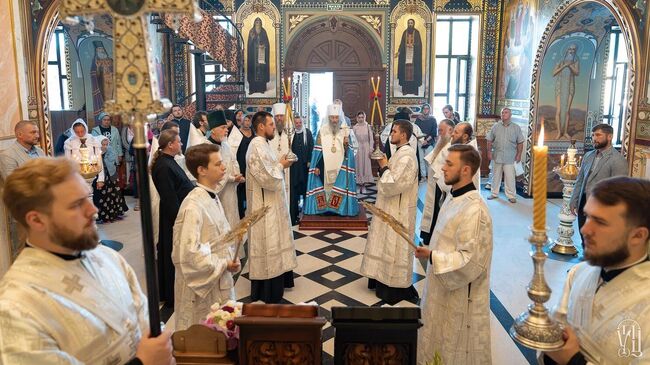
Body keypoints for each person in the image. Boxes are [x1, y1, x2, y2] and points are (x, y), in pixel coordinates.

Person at [0, 157, 174, 365]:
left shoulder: (107, 257)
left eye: (88, 198)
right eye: (76, 204)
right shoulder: (17, 307)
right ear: (36, 220)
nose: (93, 210)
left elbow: (145, 319)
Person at [542, 177, 650, 365]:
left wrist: (573, 361)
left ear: (638, 235)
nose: (585, 229)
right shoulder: (579, 272)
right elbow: (556, 328)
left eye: (600, 222)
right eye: (588, 216)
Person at [415, 144, 493, 364]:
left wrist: (432, 257)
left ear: (466, 170)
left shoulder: (474, 210)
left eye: (449, 164)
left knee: (453, 347)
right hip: (440, 288)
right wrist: (430, 252)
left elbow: (469, 261)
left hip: (460, 297)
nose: (443, 169)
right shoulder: (453, 196)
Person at [172, 143, 241, 331]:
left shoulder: (211, 196)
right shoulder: (193, 206)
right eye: (218, 164)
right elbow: (188, 254)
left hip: (218, 281)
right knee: (205, 342)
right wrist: (224, 264)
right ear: (201, 170)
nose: (224, 167)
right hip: (203, 292)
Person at [360, 120, 419, 304]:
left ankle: (393, 285)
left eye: (394, 131)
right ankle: (381, 278)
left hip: (398, 210)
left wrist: (384, 165)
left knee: (394, 246)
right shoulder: (400, 152)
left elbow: (392, 185)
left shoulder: (407, 156)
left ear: (403, 135)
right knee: (385, 244)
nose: (390, 134)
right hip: (390, 207)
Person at [246, 111, 297, 303]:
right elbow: (266, 178)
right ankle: (267, 288)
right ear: (261, 127)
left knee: (276, 239)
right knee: (268, 241)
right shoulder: (256, 146)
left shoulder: (263, 144)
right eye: (271, 125)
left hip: (271, 203)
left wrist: (278, 162)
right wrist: (281, 165)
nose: (274, 127)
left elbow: (268, 168)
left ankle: (280, 277)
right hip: (264, 205)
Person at [151, 129, 194, 307]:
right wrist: (181, 221)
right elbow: (169, 198)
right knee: (170, 253)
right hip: (172, 218)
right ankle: (171, 294)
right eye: (179, 141)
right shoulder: (162, 166)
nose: (181, 144)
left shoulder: (169, 161)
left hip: (177, 214)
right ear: (170, 144)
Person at [569, 123, 628, 240]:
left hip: (601, 206)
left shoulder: (618, 160)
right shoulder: (588, 156)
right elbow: (580, 180)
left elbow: (619, 190)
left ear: (609, 137)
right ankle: (586, 257)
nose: (594, 138)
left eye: (598, 135)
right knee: (583, 234)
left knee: (596, 238)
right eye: (593, 135)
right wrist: (573, 199)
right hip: (584, 202)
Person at [304, 104, 359, 216]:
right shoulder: (322, 131)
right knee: (326, 187)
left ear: (339, 117)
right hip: (325, 167)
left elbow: (351, 152)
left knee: (340, 186)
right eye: (332, 117)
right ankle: (326, 209)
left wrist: (346, 145)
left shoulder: (345, 131)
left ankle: (340, 210)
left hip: (341, 168)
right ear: (328, 118)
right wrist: (317, 166)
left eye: (336, 117)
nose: (334, 120)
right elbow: (317, 152)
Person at [206, 110, 245, 232]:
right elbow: (213, 173)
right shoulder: (207, 148)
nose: (226, 130)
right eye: (223, 127)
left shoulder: (225, 144)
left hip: (230, 191)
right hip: (216, 194)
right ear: (213, 130)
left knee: (232, 219)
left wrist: (237, 175)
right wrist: (233, 178)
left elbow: (233, 162)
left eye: (226, 127)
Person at [420, 119, 454, 245]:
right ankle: (428, 235)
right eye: (439, 130)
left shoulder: (451, 146)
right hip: (434, 182)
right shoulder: (442, 142)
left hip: (441, 184)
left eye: (441, 130)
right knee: (430, 208)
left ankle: (434, 237)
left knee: (436, 210)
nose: (439, 133)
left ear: (450, 130)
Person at [486, 107, 524, 203]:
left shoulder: (516, 127)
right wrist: (489, 152)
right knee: (495, 176)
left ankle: (511, 195)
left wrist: (519, 154)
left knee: (510, 177)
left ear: (510, 115)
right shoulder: (496, 126)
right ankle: (494, 193)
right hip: (497, 155)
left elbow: (520, 142)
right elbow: (489, 140)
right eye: (502, 113)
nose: (503, 114)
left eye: (506, 113)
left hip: (510, 156)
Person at [93, 136, 128, 224]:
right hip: (102, 177)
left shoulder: (110, 149)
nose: (105, 146)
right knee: (104, 197)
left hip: (111, 175)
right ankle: (105, 216)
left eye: (106, 144)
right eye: (103, 144)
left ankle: (114, 214)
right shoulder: (95, 152)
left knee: (114, 195)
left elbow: (114, 160)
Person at [289, 116, 314, 225]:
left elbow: (311, 147)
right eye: (296, 123)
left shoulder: (307, 132)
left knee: (305, 187)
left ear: (302, 123)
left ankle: (306, 210)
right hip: (294, 166)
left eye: (300, 122)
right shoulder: (291, 133)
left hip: (305, 165)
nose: (298, 124)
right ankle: (295, 211)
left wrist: (309, 160)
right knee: (295, 187)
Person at [64, 118, 105, 185]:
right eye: (77, 132)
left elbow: (99, 160)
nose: (80, 134)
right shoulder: (69, 142)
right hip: (76, 174)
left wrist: (100, 179)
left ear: (85, 129)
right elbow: (67, 162)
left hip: (92, 172)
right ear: (73, 131)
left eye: (82, 131)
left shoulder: (92, 139)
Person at [553, 43, 580, 140]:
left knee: (567, 110)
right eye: (570, 49)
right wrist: (564, 66)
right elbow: (554, 73)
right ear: (566, 49)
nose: (572, 51)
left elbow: (576, 73)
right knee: (559, 110)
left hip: (570, 86)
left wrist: (570, 66)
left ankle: (565, 132)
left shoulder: (575, 61)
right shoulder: (560, 60)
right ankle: (559, 132)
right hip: (560, 86)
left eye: (574, 50)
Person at [396, 19, 423, 95]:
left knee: (414, 73)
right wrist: (399, 51)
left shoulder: (417, 33)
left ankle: (414, 90)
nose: (410, 24)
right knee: (405, 73)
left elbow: (419, 44)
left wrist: (413, 45)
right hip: (405, 56)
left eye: (411, 23)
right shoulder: (405, 32)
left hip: (414, 58)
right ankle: (405, 90)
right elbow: (402, 43)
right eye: (409, 23)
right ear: (407, 24)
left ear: (413, 24)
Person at [269, 102, 291, 197]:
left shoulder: (292, 132)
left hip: (289, 170)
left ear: (285, 117)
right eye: (277, 116)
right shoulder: (269, 133)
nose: (279, 118)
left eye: (281, 116)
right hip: (273, 168)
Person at [451, 122, 481, 188]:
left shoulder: (469, 154)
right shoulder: (462, 148)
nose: (452, 134)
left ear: (465, 136)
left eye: (456, 132)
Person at [236, 114, 255, 218]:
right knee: (240, 189)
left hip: (252, 164)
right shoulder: (237, 134)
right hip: (240, 163)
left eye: (249, 120)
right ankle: (241, 213)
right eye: (246, 120)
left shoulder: (254, 133)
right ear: (242, 121)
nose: (247, 122)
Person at [247, 17, 270, 94]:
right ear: (254, 23)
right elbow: (249, 44)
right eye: (256, 21)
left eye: (259, 21)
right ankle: (252, 89)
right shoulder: (252, 31)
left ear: (261, 23)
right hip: (253, 55)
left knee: (261, 71)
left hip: (261, 54)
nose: (258, 23)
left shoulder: (263, 31)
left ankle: (261, 88)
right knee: (252, 71)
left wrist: (263, 45)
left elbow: (267, 42)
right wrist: (252, 39)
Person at [352, 111, 374, 189]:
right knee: (358, 163)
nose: (361, 119)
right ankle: (358, 180)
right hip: (357, 147)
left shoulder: (368, 126)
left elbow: (371, 139)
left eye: (362, 117)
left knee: (366, 163)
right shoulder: (355, 127)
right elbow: (353, 139)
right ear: (357, 118)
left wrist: (371, 149)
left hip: (366, 146)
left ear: (364, 117)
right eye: (359, 117)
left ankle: (365, 180)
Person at [416, 103, 438, 178]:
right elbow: (416, 130)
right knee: (421, 160)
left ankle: (429, 176)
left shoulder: (433, 119)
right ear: (422, 110)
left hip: (429, 142)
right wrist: (422, 140)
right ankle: (423, 176)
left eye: (427, 108)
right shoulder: (418, 119)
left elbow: (434, 132)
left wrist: (427, 141)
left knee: (428, 160)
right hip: (420, 141)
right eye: (424, 108)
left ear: (429, 110)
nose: (426, 110)